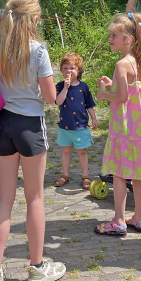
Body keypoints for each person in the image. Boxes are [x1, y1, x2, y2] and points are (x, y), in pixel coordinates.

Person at [0, 0, 65, 281]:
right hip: (30, 127)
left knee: (4, 199)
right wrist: (63, 86)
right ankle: (36, 268)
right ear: (33, 18)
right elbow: (48, 98)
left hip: (2, 127)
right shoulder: (38, 50)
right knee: (34, 199)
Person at [94, 13, 141, 237]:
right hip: (139, 129)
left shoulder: (121, 63)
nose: (110, 39)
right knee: (138, 174)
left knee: (119, 173)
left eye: (114, 35)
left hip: (124, 129)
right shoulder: (138, 61)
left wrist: (103, 93)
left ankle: (119, 220)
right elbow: (130, 90)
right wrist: (114, 85)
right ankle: (139, 217)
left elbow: (120, 97)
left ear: (128, 38)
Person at [53, 52, 98, 190]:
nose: (69, 71)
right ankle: (65, 175)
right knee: (66, 152)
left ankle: (85, 176)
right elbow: (58, 101)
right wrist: (65, 88)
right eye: (65, 68)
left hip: (80, 127)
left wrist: (94, 118)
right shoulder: (60, 86)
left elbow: (89, 104)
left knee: (82, 152)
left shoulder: (83, 87)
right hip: (65, 127)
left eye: (72, 68)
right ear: (61, 71)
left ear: (78, 71)